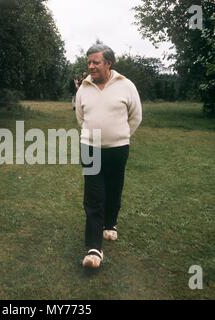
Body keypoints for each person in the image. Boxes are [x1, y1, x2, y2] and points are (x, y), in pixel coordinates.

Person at [75, 44, 142, 268]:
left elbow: (135, 116)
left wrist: (120, 136)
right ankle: (94, 249)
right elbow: (80, 117)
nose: (91, 67)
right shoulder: (83, 88)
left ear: (108, 63)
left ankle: (110, 224)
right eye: (89, 63)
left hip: (118, 149)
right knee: (93, 196)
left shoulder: (126, 86)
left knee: (114, 189)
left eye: (95, 62)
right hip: (90, 148)